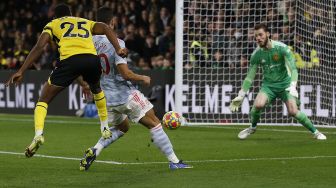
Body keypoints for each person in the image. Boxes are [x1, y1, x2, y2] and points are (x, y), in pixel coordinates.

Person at [5, 3, 128, 158]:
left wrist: (21, 70)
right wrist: (118, 48)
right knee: (96, 88)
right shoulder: (83, 21)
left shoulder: (53, 24)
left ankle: (38, 135)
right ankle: (104, 127)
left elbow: (39, 47)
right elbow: (105, 27)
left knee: (43, 100)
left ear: (56, 16)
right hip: (91, 60)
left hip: (69, 60)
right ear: (71, 14)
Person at [79, 7, 192, 171]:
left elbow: (83, 69)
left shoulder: (87, 44)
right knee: (154, 123)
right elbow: (125, 74)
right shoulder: (116, 43)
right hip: (124, 95)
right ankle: (174, 161)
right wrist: (142, 77)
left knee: (122, 127)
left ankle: (95, 150)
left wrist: (86, 85)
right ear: (112, 22)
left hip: (105, 99)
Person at [230, 23, 326, 140]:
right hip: (268, 86)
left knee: (293, 111)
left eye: (260, 35)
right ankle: (252, 127)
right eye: (256, 36)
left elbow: (294, 69)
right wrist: (241, 95)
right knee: (258, 104)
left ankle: (316, 132)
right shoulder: (256, 54)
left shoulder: (281, 48)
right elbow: (250, 76)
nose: (258, 38)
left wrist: (293, 86)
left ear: (268, 34)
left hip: (285, 85)